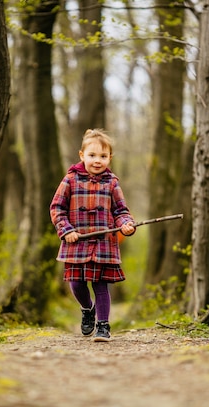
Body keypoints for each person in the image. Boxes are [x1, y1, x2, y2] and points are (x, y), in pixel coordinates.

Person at [50, 129, 136, 342]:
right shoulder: (70, 180)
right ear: (82, 155)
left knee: (100, 284)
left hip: (103, 242)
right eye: (92, 155)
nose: (97, 161)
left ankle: (103, 326)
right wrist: (66, 230)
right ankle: (87, 309)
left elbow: (120, 211)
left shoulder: (112, 183)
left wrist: (126, 224)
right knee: (77, 283)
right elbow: (57, 208)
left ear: (110, 158)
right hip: (76, 241)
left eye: (103, 156)